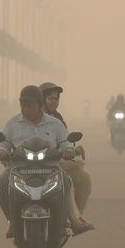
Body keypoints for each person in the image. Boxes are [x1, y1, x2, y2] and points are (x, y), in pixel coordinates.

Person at [0, 85, 95, 238]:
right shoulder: (12, 124)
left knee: (66, 180)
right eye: (23, 105)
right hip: (19, 168)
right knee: (2, 181)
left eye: (30, 105)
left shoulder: (55, 123)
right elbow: (2, 144)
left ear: (40, 105)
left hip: (50, 168)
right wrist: (1, 152)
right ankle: (13, 222)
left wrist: (68, 150)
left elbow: (65, 143)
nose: (26, 109)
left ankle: (69, 220)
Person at [39, 82, 93, 216]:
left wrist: (72, 150)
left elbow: (65, 141)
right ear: (41, 99)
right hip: (32, 162)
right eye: (50, 98)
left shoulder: (58, 119)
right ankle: (13, 220)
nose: (54, 101)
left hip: (56, 161)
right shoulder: (31, 117)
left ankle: (76, 217)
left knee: (84, 178)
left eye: (56, 99)